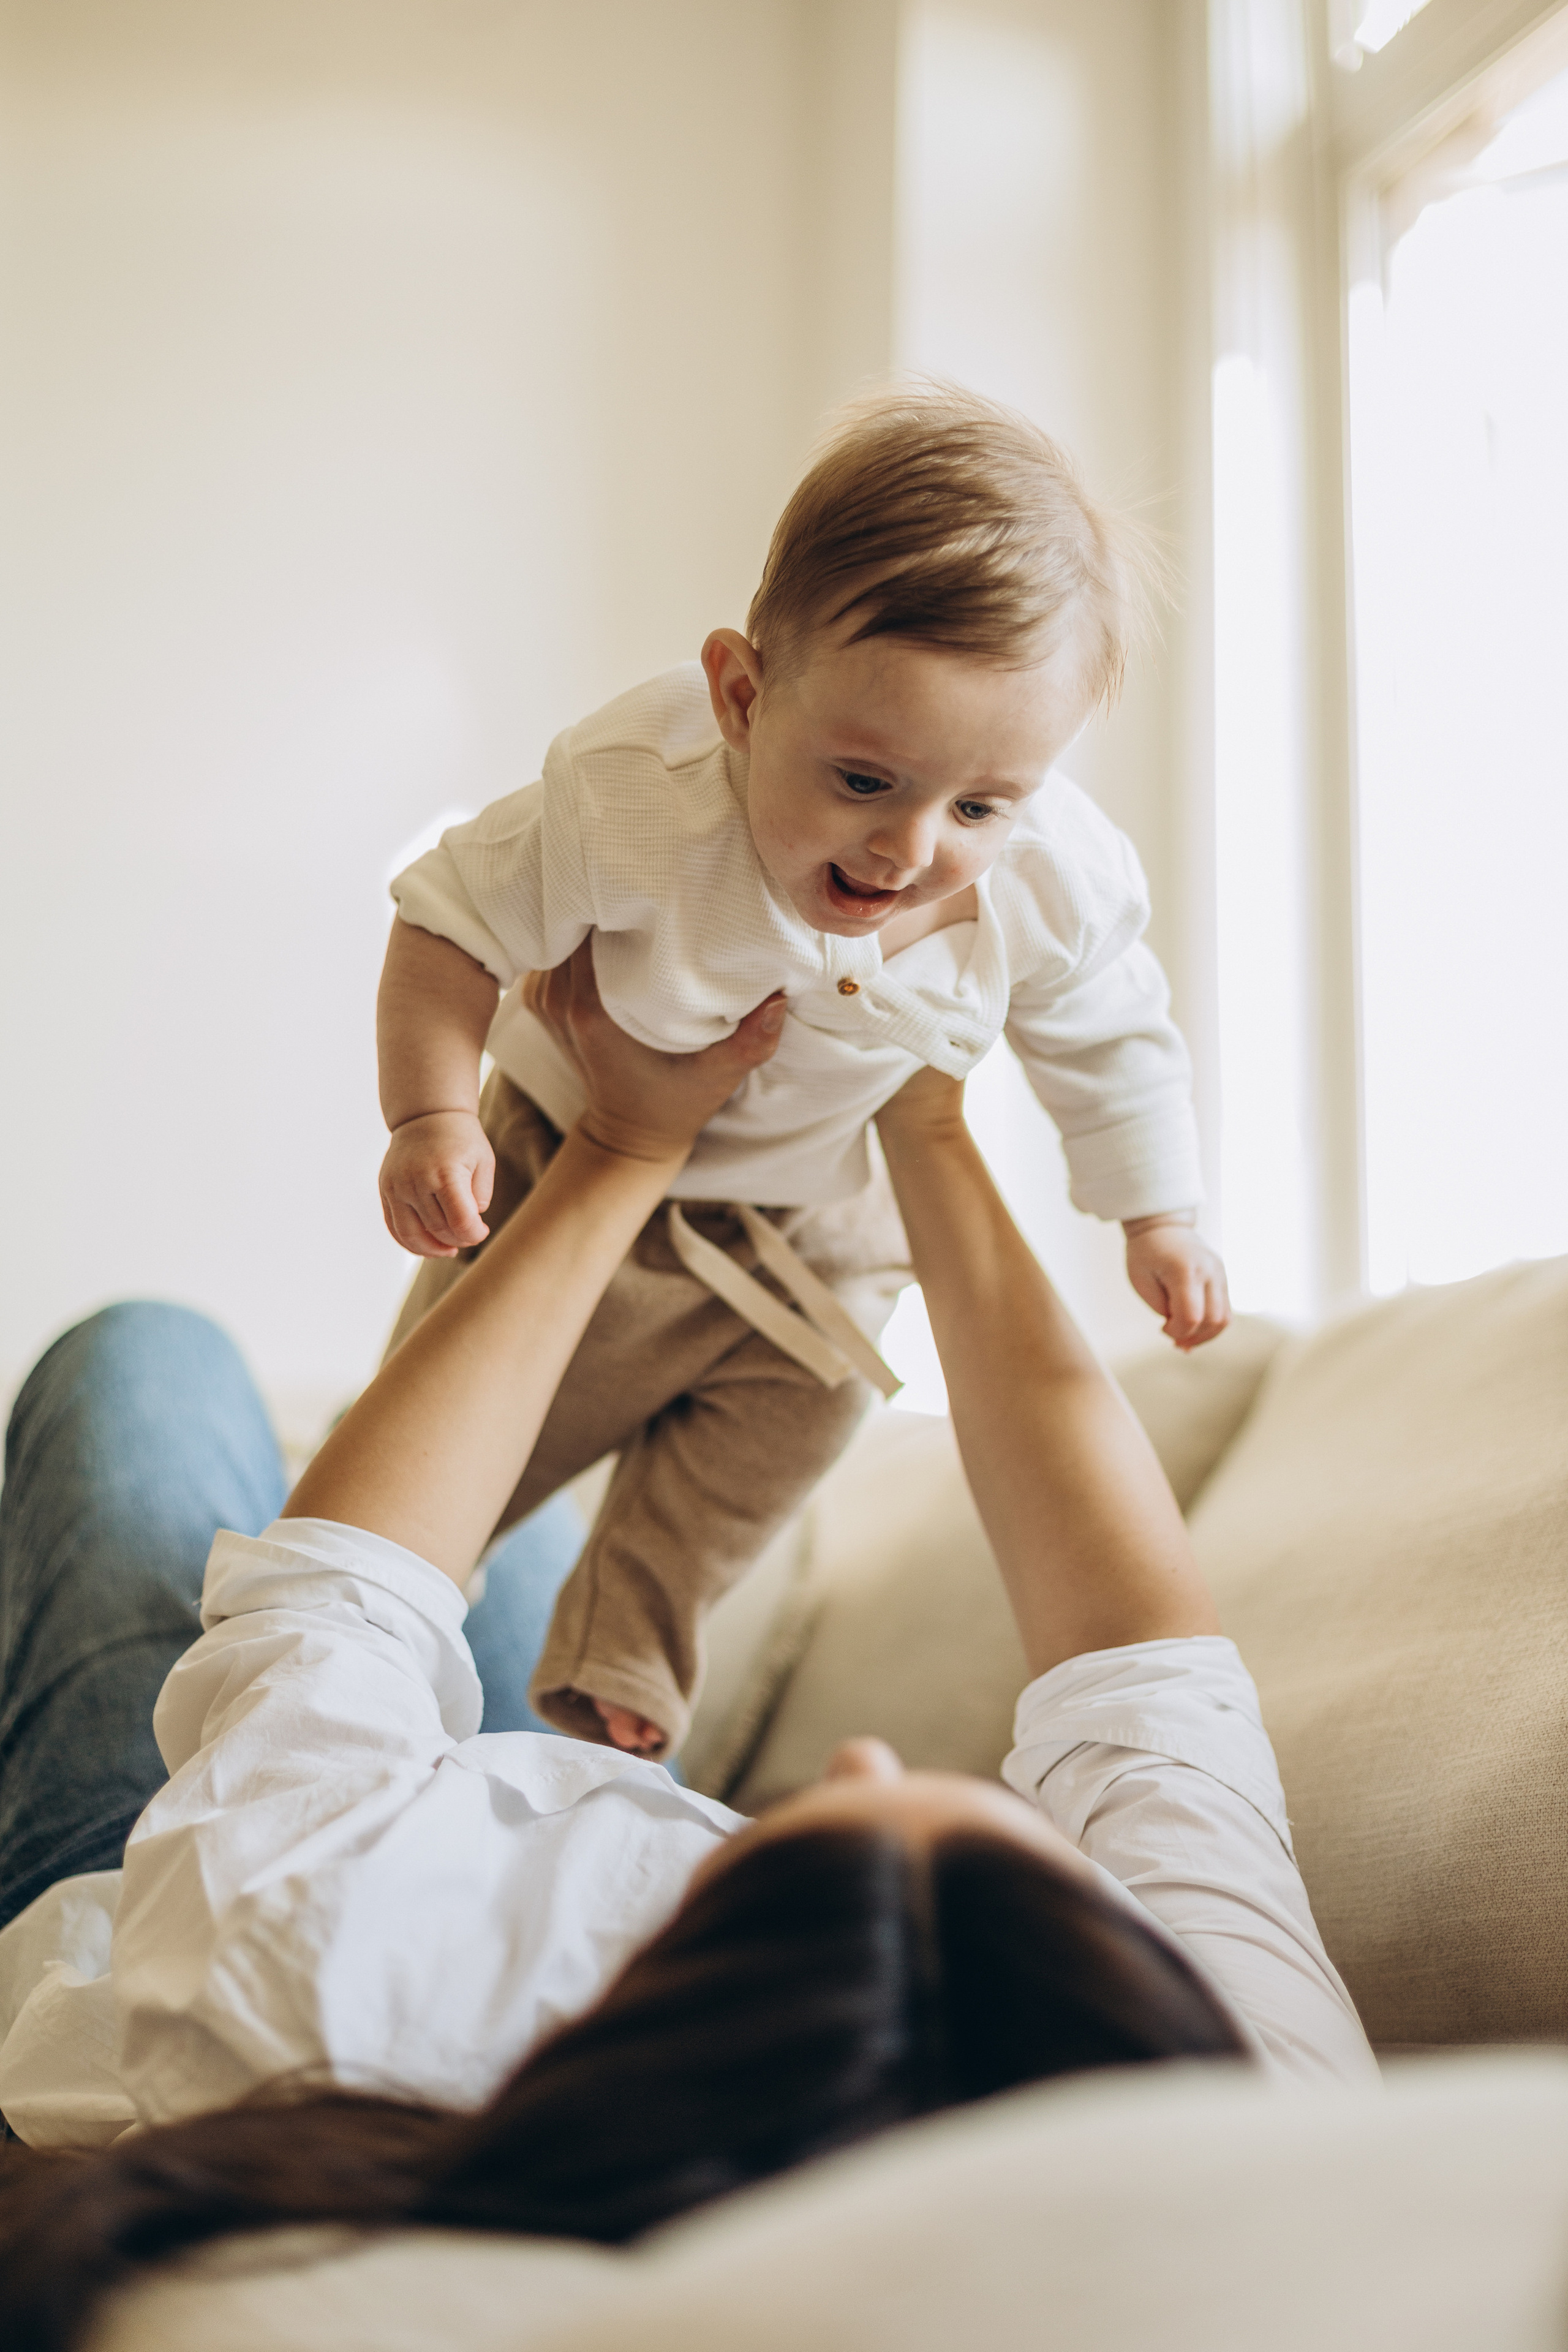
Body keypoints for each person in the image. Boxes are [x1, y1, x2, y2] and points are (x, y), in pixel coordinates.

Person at [0, 944, 1368, 2352]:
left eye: (811, 1834)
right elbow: (1146, 1680)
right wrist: (926, 1120)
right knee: (528, 1538)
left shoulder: (307, 1974)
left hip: (142, 1905)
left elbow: (332, 1599)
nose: (858, 1753)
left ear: (673, 1975)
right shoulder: (1249, 2106)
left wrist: (621, 1141)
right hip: (472, 1825)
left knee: (144, 1361)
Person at [377, 382, 1231, 1759]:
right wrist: (426, 1110)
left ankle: (624, 1660)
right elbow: (447, 924)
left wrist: (1156, 1209)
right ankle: (383, 1623)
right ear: (739, 694)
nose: (907, 850)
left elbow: (1109, 1030)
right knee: (465, 1453)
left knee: (804, 1411)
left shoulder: (1052, 878)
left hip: (814, 1215)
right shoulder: (630, 796)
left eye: (978, 806)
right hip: (565, 1156)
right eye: (860, 781)